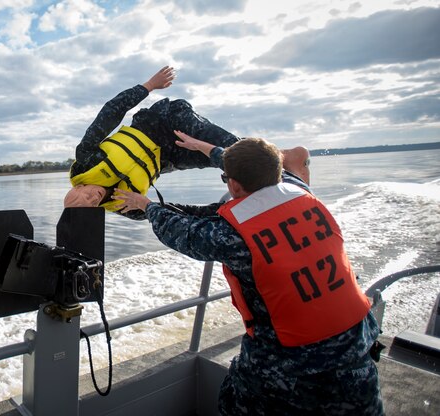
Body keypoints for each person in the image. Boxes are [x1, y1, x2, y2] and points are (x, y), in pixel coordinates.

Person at [112, 137, 384, 415]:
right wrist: (203, 147)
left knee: (233, 402)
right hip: (357, 347)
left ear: (233, 185)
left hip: (291, 363)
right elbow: (251, 166)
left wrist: (147, 205)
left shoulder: (231, 238)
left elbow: (180, 231)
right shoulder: (300, 189)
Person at [64, 66, 311, 220]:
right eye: (92, 203)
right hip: (169, 157)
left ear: (76, 186)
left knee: (236, 153)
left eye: (85, 195)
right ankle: (282, 164)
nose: (93, 196)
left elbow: (111, 112)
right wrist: (214, 212)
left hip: (163, 122)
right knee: (232, 165)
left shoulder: (87, 160)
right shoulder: (118, 205)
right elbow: (159, 211)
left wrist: (149, 85)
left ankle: (288, 164)